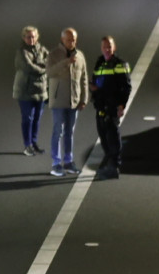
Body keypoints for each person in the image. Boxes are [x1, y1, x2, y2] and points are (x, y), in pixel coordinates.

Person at [46, 28, 89, 176]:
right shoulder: (53, 55)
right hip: (58, 101)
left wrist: (84, 99)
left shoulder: (80, 56)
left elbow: (84, 79)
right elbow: (50, 72)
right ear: (62, 39)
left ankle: (68, 161)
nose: (72, 42)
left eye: (74, 39)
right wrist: (66, 62)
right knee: (58, 131)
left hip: (74, 101)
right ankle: (56, 163)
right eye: (69, 39)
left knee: (69, 132)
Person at [91, 35, 131, 179]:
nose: (107, 50)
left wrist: (121, 105)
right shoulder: (99, 63)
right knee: (104, 138)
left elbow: (126, 87)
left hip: (112, 107)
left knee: (113, 138)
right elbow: (95, 81)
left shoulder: (120, 64)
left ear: (114, 48)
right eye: (104, 47)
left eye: (109, 47)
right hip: (100, 107)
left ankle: (114, 167)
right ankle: (109, 163)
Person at [12, 26, 49, 157]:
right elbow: (29, 67)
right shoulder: (21, 52)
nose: (31, 39)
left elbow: (50, 61)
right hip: (25, 91)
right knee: (28, 118)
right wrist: (43, 67)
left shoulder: (42, 49)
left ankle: (34, 142)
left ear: (37, 37)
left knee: (37, 118)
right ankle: (27, 145)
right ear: (24, 38)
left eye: (33, 36)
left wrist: (42, 65)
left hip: (40, 90)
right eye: (28, 37)